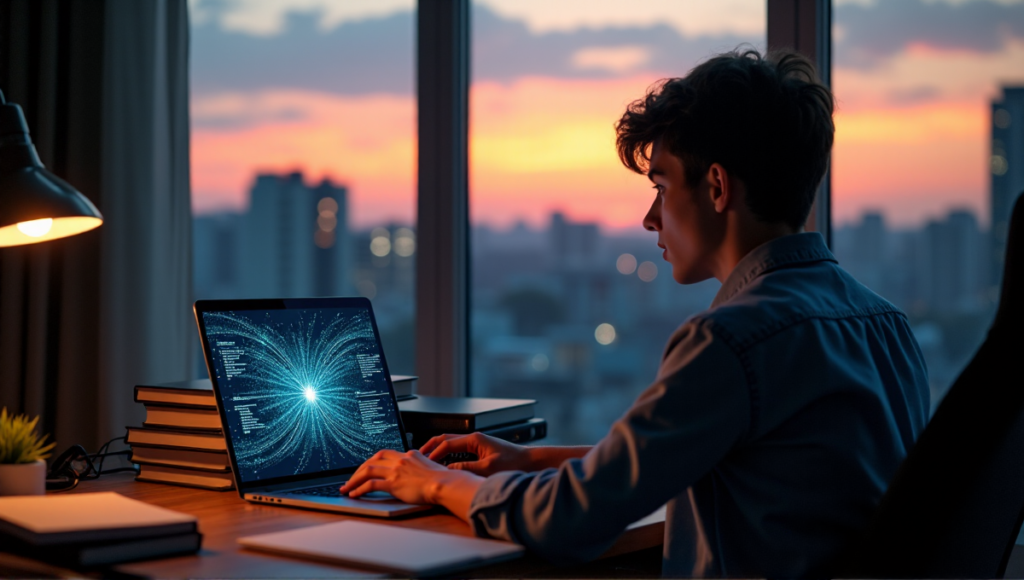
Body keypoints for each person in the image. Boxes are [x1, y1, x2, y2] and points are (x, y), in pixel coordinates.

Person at [338, 49, 930, 577]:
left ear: (718, 188)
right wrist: (531, 458)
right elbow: (722, 457)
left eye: (663, 187)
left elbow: (571, 521)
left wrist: (437, 483)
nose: (651, 219)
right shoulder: (886, 326)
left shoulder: (729, 341)